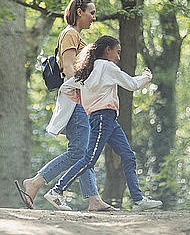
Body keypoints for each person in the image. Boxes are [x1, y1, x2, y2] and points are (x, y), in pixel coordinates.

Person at [18, 0, 116, 211]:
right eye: (91, 13)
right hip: (76, 98)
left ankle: (93, 200)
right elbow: (69, 68)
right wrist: (85, 92)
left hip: (81, 98)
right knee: (79, 151)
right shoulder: (70, 34)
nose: (94, 17)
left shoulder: (77, 36)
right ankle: (34, 183)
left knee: (84, 151)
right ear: (79, 12)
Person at [45, 35, 163, 211]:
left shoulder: (88, 68)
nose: (119, 57)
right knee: (89, 159)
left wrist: (82, 98)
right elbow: (131, 83)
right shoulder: (107, 66)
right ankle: (56, 191)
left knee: (128, 155)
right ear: (108, 50)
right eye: (117, 52)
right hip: (102, 118)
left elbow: (66, 88)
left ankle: (138, 200)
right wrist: (146, 76)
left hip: (108, 119)